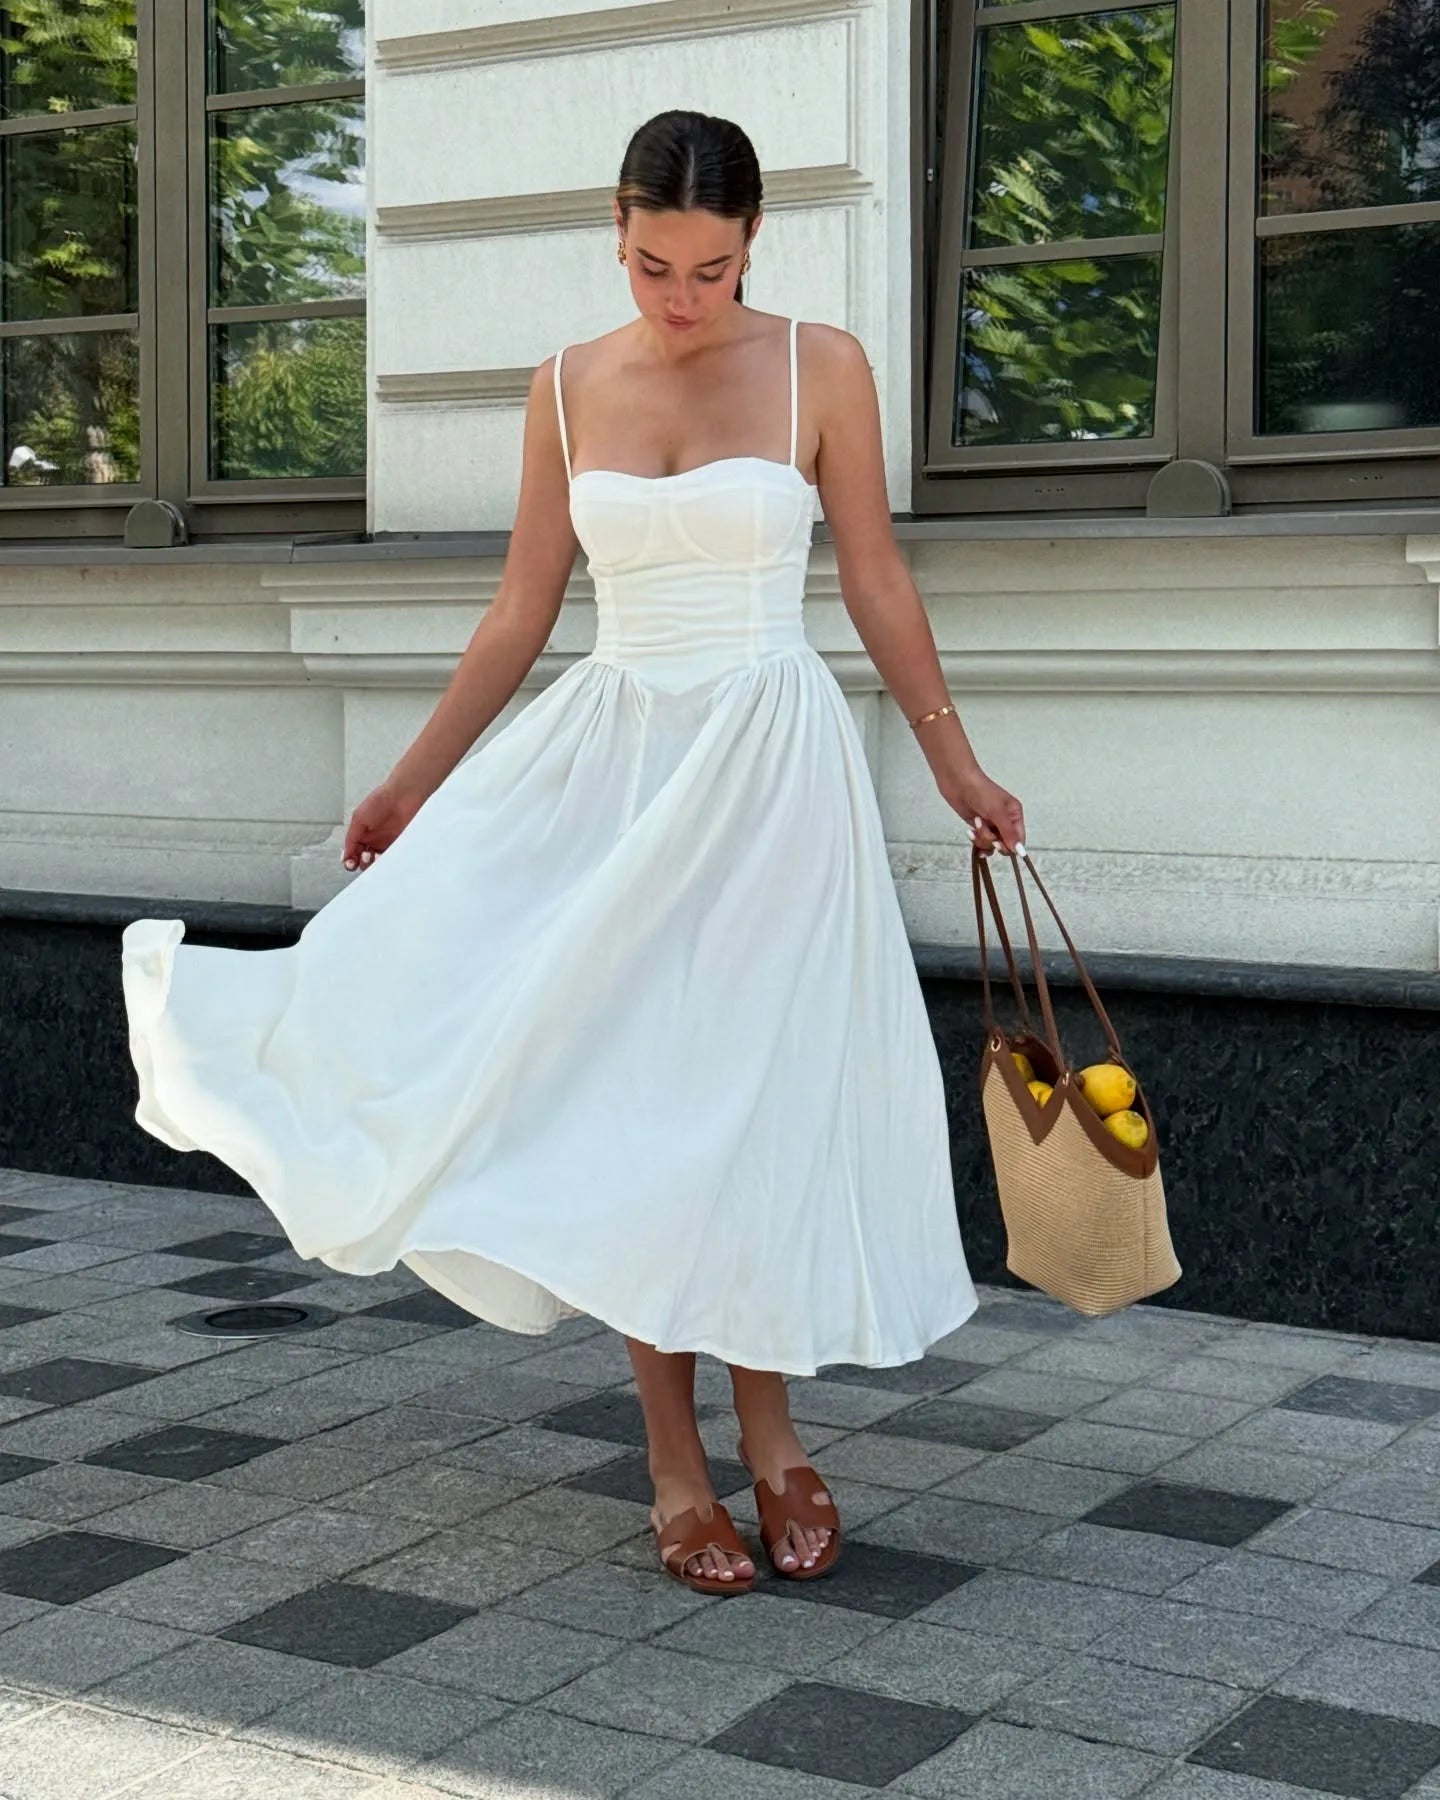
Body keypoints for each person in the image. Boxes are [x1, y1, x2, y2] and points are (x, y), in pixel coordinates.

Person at [120, 108, 1025, 1597]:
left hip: (770, 768)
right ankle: (678, 1465)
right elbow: (519, 612)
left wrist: (954, 761)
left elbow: (872, 576)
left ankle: (777, 1436)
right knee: (634, 1102)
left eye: (712, 271)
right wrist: (408, 785)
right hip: (616, 765)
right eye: (655, 265)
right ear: (617, 234)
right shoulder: (560, 389)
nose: (680, 300)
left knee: (754, 1099)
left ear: (754, 251)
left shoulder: (823, 367)